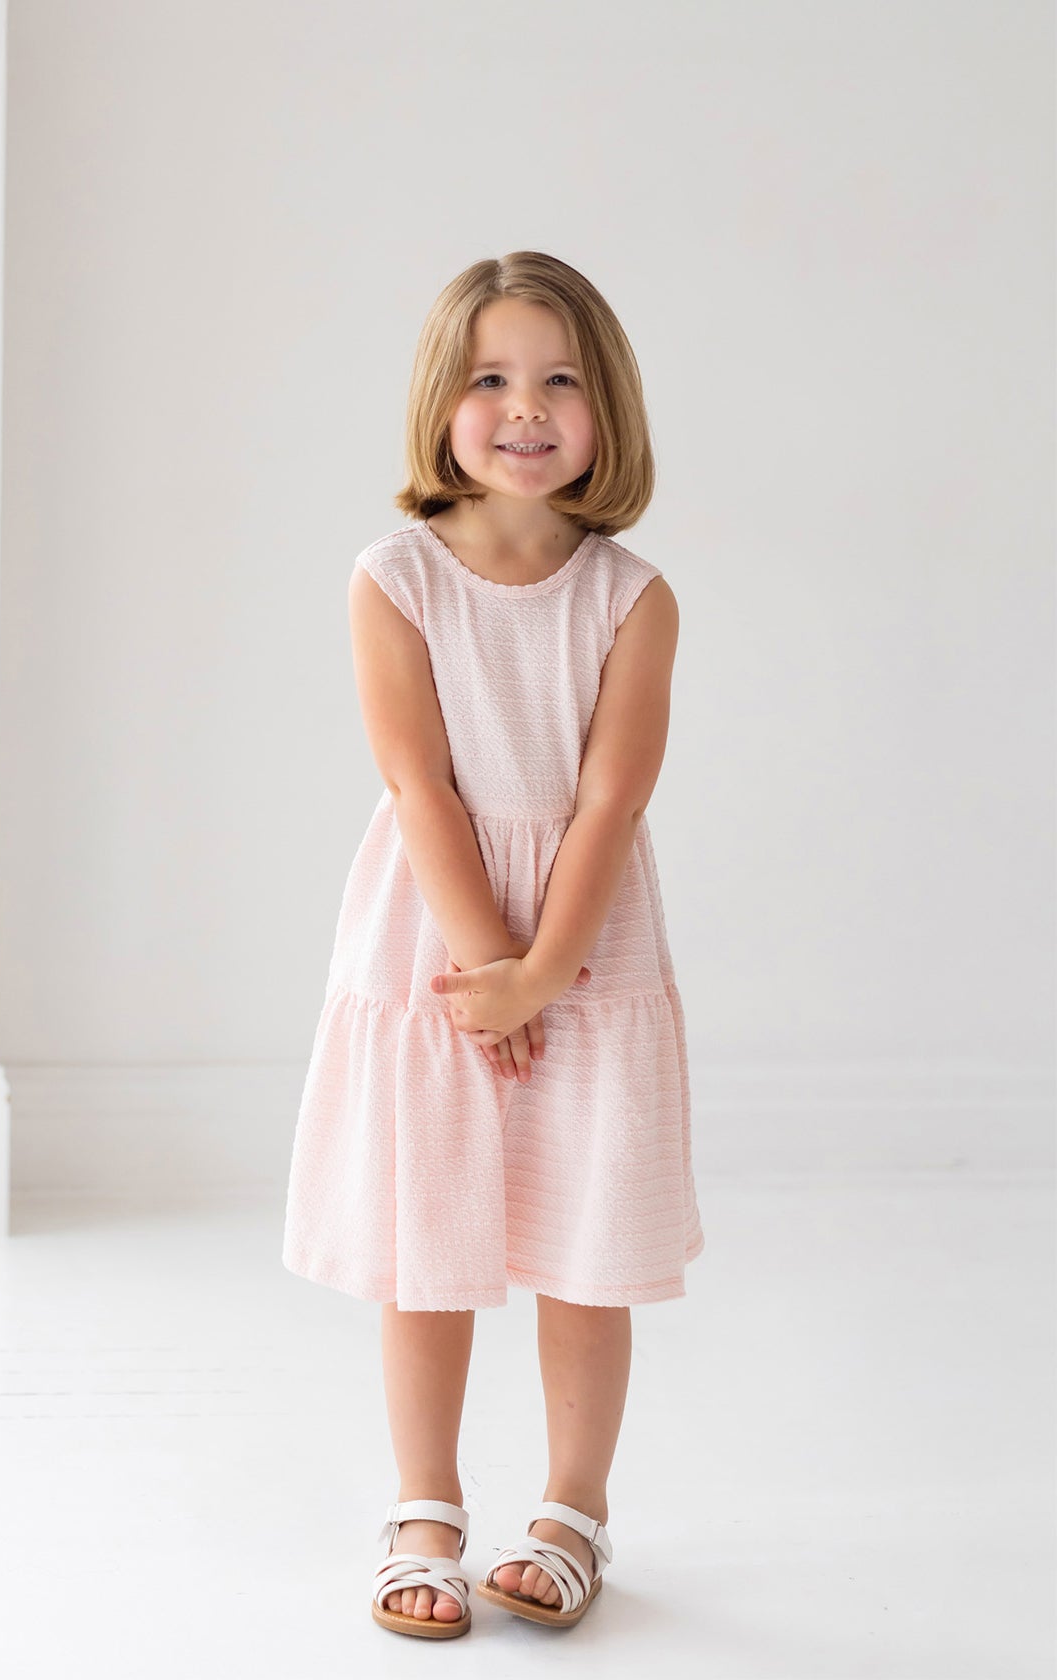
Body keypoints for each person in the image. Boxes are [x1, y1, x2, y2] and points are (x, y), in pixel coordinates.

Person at [281, 250, 705, 1638]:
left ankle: (572, 1508)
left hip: (587, 945)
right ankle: (425, 1506)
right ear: (443, 402)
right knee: (432, 1241)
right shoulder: (394, 575)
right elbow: (420, 784)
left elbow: (610, 797)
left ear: (606, 410)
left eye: (561, 381)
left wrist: (544, 972)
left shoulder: (631, 598)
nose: (527, 409)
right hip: (434, 938)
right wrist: (486, 968)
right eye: (493, 379)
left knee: (586, 1241)